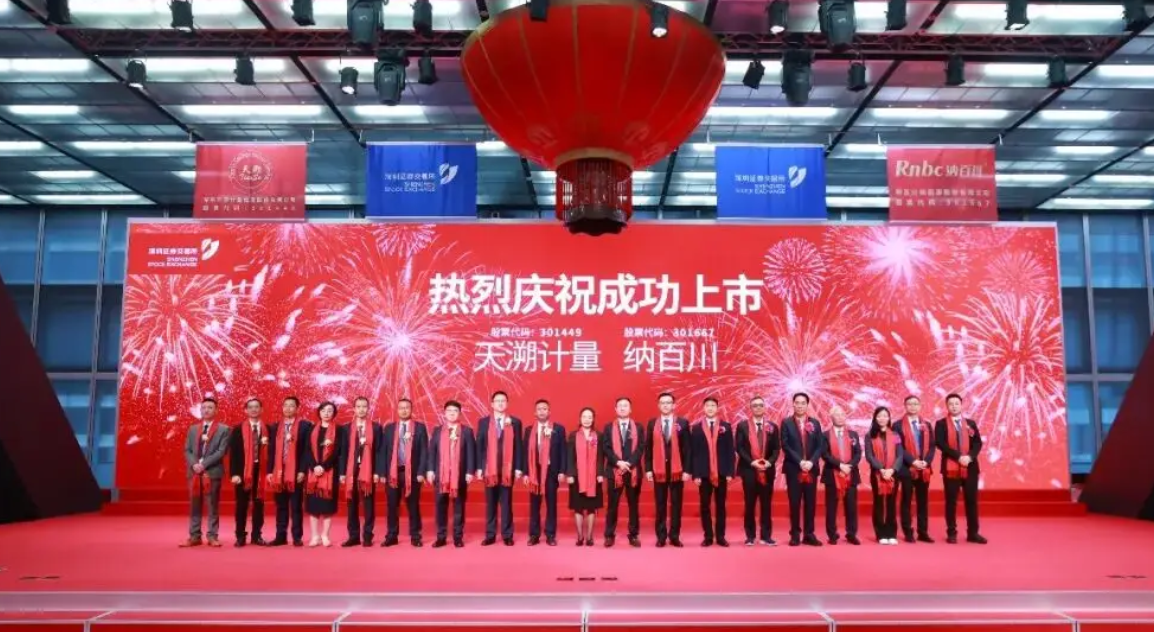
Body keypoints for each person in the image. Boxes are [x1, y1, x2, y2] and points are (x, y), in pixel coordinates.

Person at [935, 393, 988, 544]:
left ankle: (973, 533)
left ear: (961, 405)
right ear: (947, 406)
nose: (954, 406)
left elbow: (977, 443)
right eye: (951, 404)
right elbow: (940, 443)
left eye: (956, 403)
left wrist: (969, 457)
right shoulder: (941, 424)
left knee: (971, 500)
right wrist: (958, 456)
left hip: (970, 467)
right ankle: (951, 533)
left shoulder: (970, 423)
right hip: (950, 466)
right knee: (951, 501)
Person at [379, 398, 428, 547]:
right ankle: (391, 536)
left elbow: (424, 451)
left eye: (407, 407)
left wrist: (421, 471)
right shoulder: (389, 428)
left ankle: (415, 536)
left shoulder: (419, 428)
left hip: (412, 473)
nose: (404, 410)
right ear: (397, 410)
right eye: (401, 408)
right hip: (393, 473)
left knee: (413, 505)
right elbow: (383, 452)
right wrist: (382, 473)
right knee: (392, 506)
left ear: (411, 410)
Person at [180, 397, 230, 548]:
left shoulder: (224, 429)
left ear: (216, 410)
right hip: (194, 473)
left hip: (212, 472)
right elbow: (187, 450)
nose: (206, 410)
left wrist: (204, 464)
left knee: (212, 505)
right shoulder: (193, 429)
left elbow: (221, 451)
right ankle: (194, 536)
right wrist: (195, 464)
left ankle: (212, 536)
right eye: (204, 408)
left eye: (210, 407)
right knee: (194, 505)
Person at [476, 391, 523, 546]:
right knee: (490, 504)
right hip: (489, 470)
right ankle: (490, 535)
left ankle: (507, 535)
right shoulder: (483, 422)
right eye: (497, 401)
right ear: (492, 404)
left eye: (503, 400)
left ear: (507, 403)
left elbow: (518, 446)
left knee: (506, 504)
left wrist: (518, 467)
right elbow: (480, 447)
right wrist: (479, 467)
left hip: (507, 470)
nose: (500, 403)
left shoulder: (515, 422)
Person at [427, 400, 477, 548]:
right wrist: (430, 470)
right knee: (440, 506)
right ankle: (441, 537)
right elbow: (432, 452)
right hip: (440, 475)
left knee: (459, 507)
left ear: (459, 413)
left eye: (455, 411)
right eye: (449, 410)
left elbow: (471, 453)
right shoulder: (437, 431)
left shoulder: (467, 431)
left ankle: (457, 537)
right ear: (444, 413)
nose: (452, 413)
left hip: (459, 475)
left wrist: (470, 472)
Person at [644, 392, 690, 548]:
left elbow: (687, 449)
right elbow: (648, 448)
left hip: (677, 470)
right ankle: (661, 536)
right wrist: (648, 469)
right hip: (658, 470)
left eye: (668, 402)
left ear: (674, 405)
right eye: (663, 403)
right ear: (658, 405)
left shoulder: (682, 423)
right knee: (660, 504)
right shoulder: (652, 423)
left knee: (676, 504)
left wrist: (687, 470)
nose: (665, 405)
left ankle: (675, 536)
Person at [690, 396, 735, 547]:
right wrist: (695, 474)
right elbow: (694, 453)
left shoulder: (726, 427)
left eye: (713, 405)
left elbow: (730, 450)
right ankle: (708, 536)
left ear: (717, 408)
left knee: (721, 505)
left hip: (722, 472)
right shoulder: (696, 428)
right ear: (704, 408)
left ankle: (721, 536)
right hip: (703, 473)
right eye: (707, 405)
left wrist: (730, 472)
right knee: (705, 506)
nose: (710, 408)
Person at [781, 392, 824, 547]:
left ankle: (809, 534)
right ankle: (795, 534)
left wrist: (811, 462)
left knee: (810, 502)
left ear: (807, 405)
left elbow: (820, 446)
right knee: (794, 502)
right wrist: (800, 461)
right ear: (793, 404)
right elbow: (785, 445)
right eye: (797, 403)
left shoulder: (815, 423)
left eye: (803, 403)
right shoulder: (786, 423)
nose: (800, 405)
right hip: (794, 468)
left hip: (811, 469)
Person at [266, 396, 310, 547]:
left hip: (295, 471)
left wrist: (302, 471)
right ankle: (280, 536)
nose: (288, 408)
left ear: (297, 408)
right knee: (281, 505)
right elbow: (271, 451)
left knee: (296, 505)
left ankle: (297, 537)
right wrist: (270, 471)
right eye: (285, 405)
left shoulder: (304, 426)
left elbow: (306, 451)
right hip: (279, 471)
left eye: (291, 405)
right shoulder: (275, 427)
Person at [735, 395, 779, 547]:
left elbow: (776, 449)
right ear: (751, 408)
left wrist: (769, 462)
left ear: (765, 407)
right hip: (749, 470)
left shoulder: (772, 426)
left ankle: (766, 536)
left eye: (761, 405)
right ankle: (750, 536)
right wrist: (751, 461)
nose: (758, 408)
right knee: (750, 504)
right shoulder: (742, 426)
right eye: (755, 405)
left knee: (766, 504)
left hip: (767, 470)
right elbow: (739, 447)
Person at [602, 396, 645, 547]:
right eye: (619, 405)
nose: (622, 408)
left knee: (633, 505)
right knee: (612, 505)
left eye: (625, 405)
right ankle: (609, 535)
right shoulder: (608, 427)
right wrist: (618, 462)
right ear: (615, 409)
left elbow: (641, 447)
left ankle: (633, 534)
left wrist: (629, 463)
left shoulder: (638, 427)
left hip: (633, 471)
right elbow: (606, 448)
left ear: (630, 409)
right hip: (614, 471)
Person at [339, 397, 382, 547]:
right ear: (354, 409)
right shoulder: (346, 428)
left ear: (368, 408)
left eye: (364, 406)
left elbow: (379, 452)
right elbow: (343, 452)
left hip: (368, 469)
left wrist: (377, 472)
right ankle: (353, 536)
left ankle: (368, 535)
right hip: (351, 469)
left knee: (368, 504)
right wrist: (342, 473)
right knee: (352, 503)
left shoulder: (376, 427)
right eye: (358, 406)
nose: (361, 409)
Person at [523, 399, 566, 546]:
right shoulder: (529, 430)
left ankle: (550, 534)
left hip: (551, 472)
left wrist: (562, 471)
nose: (542, 411)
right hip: (535, 471)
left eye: (545, 409)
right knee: (534, 504)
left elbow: (563, 451)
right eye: (539, 409)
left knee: (551, 504)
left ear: (549, 411)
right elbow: (525, 453)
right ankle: (534, 535)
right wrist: (526, 473)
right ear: (535, 412)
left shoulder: (558, 429)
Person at [895, 395, 936, 543]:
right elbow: (898, 446)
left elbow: (932, 446)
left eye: (915, 404)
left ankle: (923, 532)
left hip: (924, 468)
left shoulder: (927, 425)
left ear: (920, 406)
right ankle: (908, 532)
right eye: (909, 404)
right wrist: (913, 461)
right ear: (905, 406)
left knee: (922, 501)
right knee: (906, 500)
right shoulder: (897, 425)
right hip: (906, 468)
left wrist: (926, 461)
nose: (913, 406)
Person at [228, 397, 268, 547]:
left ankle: (257, 535)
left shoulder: (267, 429)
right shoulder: (238, 429)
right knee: (242, 504)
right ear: (246, 410)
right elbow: (233, 454)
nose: (253, 409)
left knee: (259, 504)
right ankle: (240, 536)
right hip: (243, 471)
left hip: (261, 470)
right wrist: (234, 474)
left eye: (256, 407)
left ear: (261, 409)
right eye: (250, 407)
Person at [820, 405, 861, 545]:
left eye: (842, 414)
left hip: (851, 474)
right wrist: (840, 465)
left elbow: (858, 453)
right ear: (831, 417)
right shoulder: (825, 435)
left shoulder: (853, 434)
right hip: (832, 475)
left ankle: (851, 534)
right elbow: (824, 454)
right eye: (837, 414)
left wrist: (849, 466)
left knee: (851, 506)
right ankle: (832, 535)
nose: (840, 417)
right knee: (831, 507)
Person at [865, 406, 903, 545]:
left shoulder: (895, 435)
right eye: (879, 416)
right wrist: (881, 469)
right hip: (877, 473)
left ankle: (891, 533)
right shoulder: (869, 435)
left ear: (889, 418)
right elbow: (869, 455)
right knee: (879, 502)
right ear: (875, 418)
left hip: (893, 474)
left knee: (892, 503)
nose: (882, 418)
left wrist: (892, 470)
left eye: (885, 416)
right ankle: (880, 533)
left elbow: (900, 455)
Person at [304, 401, 340, 547]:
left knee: (327, 506)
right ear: (319, 412)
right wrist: (314, 466)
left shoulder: (339, 430)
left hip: (330, 472)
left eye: (330, 410)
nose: (326, 413)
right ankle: (314, 536)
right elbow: (307, 450)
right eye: (324, 410)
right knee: (313, 506)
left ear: (334, 413)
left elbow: (338, 452)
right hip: (313, 472)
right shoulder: (311, 429)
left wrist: (324, 467)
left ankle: (325, 535)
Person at [567, 407, 604, 546]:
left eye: (589, 417)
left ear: (593, 419)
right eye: (584, 416)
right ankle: (579, 536)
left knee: (591, 507)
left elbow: (601, 457)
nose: (587, 419)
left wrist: (600, 473)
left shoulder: (598, 435)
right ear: (580, 418)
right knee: (578, 507)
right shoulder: (573, 435)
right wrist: (570, 474)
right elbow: (570, 456)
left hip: (593, 477)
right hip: (577, 476)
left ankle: (589, 537)